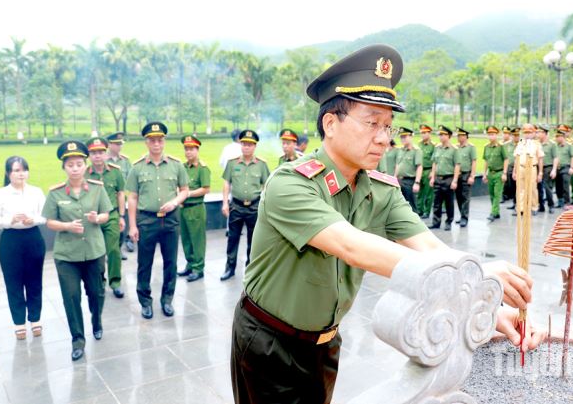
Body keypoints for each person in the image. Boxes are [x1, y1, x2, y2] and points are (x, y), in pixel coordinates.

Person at [230, 44, 544, 404]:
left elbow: (431, 249)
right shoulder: (291, 183)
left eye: (388, 126)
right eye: (371, 123)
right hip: (268, 339)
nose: (383, 137)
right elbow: (351, 245)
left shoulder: (379, 189)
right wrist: (479, 275)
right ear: (330, 123)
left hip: (326, 340)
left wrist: (486, 306)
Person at [43, 141, 111, 361]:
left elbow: (106, 215)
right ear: (64, 167)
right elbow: (49, 222)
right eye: (70, 164)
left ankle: (97, 320)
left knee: (97, 292)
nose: (75, 168)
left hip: (93, 250)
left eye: (79, 164)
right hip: (67, 255)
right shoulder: (55, 193)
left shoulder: (97, 188)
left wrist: (96, 218)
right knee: (71, 297)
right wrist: (66, 226)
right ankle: (78, 340)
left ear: (85, 165)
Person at [126, 122, 189, 319]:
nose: (156, 144)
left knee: (171, 262)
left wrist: (174, 202)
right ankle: (145, 301)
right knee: (144, 263)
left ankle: (167, 299)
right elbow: (132, 198)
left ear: (164, 141)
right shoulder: (137, 168)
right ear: (146, 142)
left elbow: (185, 190)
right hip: (147, 220)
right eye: (152, 140)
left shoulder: (176, 165)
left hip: (170, 219)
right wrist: (133, 225)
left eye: (160, 140)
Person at [0, 156, 46, 340]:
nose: (21, 174)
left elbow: (45, 216)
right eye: (16, 170)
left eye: (24, 170)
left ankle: (35, 319)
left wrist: (33, 220)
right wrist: (10, 220)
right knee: (13, 282)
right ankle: (19, 323)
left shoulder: (36, 192)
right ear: (8, 173)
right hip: (10, 240)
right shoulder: (0, 194)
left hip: (33, 238)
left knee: (34, 281)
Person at [220, 129, 270, 281]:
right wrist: (224, 203)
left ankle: (251, 269)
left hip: (254, 207)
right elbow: (226, 183)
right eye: (244, 144)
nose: (246, 147)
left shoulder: (261, 165)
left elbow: (267, 185)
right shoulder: (232, 163)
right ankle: (230, 268)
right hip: (236, 206)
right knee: (232, 239)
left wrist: (265, 206)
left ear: (255, 146)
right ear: (240, 145)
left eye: (250, 145)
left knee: (253, 240)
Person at [85, 137, 127, 299]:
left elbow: (121, 194)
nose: (97, 156)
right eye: (94, 153)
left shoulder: (115, 172)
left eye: (101, 152)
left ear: (105, 153)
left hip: (112, 216)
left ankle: (115, 282)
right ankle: (99, 282)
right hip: (93, 219)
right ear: (89, 155)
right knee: (96, 253)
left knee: (114, 250)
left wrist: (122, 216)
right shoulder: (85, 174)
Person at [178, 134, 211, 282]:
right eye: (186, 149)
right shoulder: (182, 167)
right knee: (186, 239)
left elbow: (205, 189)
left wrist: (188, 193)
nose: (188, 152)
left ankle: (198, 268)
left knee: (197, 239)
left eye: (191, 149)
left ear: (197, 150)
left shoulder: (202, 168)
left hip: (196, 208)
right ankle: (190, 264)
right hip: (183, 208)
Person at [107, 132, 133, 257]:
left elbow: (131, 178)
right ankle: (109, 252)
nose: (119, 147)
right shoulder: (104, 160)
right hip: (108, 199)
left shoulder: (125, 161)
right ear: (109, 145)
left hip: (123, 198)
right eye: (116, 144)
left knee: (121, 225)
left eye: (120, 144)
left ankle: (118, 249)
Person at [428, 125, 458, 231]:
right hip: (438, 178)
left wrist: (454, 180)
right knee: (436, 202)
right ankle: (436, 222)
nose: (440, 137)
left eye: (443, 135)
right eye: (440, 135)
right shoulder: (437, 148)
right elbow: (434, 163)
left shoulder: (454, 149)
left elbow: (457, 165)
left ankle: (449, 222)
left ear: (449, 136)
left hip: (448, 178)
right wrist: (432, 177)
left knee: (449, 202)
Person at [512, 124, 543, 217]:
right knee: (520, 189)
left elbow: (540, 158)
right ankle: (520, 208)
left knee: (532, 188)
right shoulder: (520, 143)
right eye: (525, 133)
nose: (527, 135)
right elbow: (516, 158)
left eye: (529, 132)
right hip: (521, 168)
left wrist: (540, 172)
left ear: (533, 133)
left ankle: (534, 207)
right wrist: (514, 171)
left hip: (532, 168)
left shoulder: (536, 144)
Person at [482, 126, 508, 222]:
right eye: (489, 135)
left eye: (493, 134)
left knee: (497, 194)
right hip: (490, 173)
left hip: (499, 173)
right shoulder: (486, 147)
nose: (491, 136)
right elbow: (486, 161)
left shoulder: (501, 147)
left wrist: (504, 173)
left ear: (497, 135)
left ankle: (493, 213)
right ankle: (496, 212)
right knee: (492, 194)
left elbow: (506, 159)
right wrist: (484, 174)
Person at [395, 127, 422, 214]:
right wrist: (394, 178)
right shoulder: (400, 150)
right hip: (399, 180)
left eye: (405, 137)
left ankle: (415, 226)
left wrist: (417, 183)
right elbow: (397, 165)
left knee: (412, 206)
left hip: (409, 181)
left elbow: (419, 167)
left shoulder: (416, 151)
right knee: (400, 206)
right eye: (401, 137)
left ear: (411, 137)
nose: (402, 139)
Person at [454, 127, 477, 227]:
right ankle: (461, 215)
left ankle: (465, 218)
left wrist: (472, 176)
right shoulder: (455, 147)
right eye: (458, 135)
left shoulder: (471, 147)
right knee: (458, 197)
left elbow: (474, 162)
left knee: (465, 197)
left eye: (461, 135)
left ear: (466, 136)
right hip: (457, 175)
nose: (459, 137)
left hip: (466, 174)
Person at [417, 124, 435, 219]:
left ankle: (427, 211)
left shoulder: (433, 146)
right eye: (421, 133)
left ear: (429, 133)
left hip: (428, 171)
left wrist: (432, 172)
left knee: (428, 193)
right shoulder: (419, 145)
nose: (423, 135)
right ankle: (419, 210)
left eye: (425, 133)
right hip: (419, 171)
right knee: (419, 193)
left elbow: (434, 161)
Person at [553, 127, 573, 208]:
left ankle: (567, 202)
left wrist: (572, 167)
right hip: (557, 168)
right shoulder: (555, 146)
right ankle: (560, 200)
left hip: (566, 167)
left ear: (563, 137)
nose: (557, 138)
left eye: (558, 136)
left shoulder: (569, 146)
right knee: (558, 185)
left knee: (565, 184)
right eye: (556, 136)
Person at [536, 126, 556, 214]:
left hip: (548, 167)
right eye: (537, 132)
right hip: (537, 168)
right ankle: (541, 205)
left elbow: (555, 158)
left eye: (540, 132)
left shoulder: (552, 144)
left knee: (547, 187)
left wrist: (554, 169)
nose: (538, 134)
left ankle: (551, 205)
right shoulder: (536, 144)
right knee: (538, 188)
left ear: (545, 133)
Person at [503, 127, 520, 209]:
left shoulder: (523, 144)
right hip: (510, 167)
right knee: (512, 186)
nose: (516, 137)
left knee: (519, 187)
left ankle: (520, 204)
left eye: (517, 135)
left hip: (520, 168)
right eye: (514, 135)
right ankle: (514, 202)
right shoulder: (507, 145)